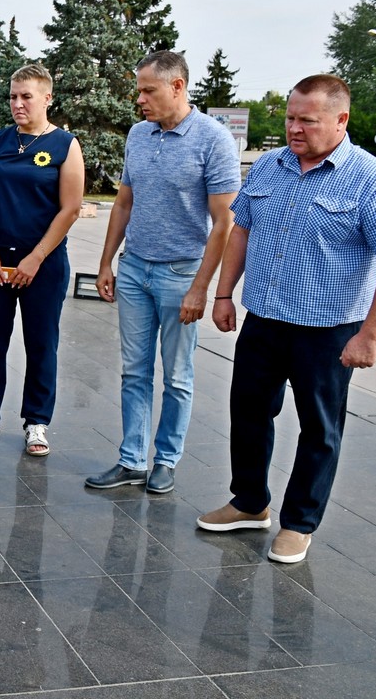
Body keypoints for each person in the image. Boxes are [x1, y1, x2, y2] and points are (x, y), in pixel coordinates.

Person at [197, 74, 376, 564]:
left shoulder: (369, 178)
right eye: (290, 117)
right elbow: (241, 229)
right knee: (249, 411)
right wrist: (223, 293)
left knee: (320, 428)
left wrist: (371, 334)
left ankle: (299, 523)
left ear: (341, 120)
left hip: (330, 329)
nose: (294, 128)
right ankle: (250, 502)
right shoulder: (270, 166)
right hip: (265, 320)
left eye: (307, 120)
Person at [85, 51, 241, 494]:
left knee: (177, 375)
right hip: (134, 268)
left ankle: (166, 460)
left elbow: (224, 222)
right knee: (134, 371)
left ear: (177, 87)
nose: (140, 99)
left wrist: (200, 288)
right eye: (139, 89)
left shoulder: (212, 139)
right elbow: (124, 202)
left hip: (180, 274)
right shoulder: (139, 134)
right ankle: (131, 459)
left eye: (148, 90)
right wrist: (106, 263)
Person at [0, 63, 85, 456]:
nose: (17, 104)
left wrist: (36, 258)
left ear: (47, 98)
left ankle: (36, 423)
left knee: (41, 344)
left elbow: (70, 208)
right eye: (13, 96)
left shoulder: (65, 145)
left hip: (43, 267)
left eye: (26, 96)